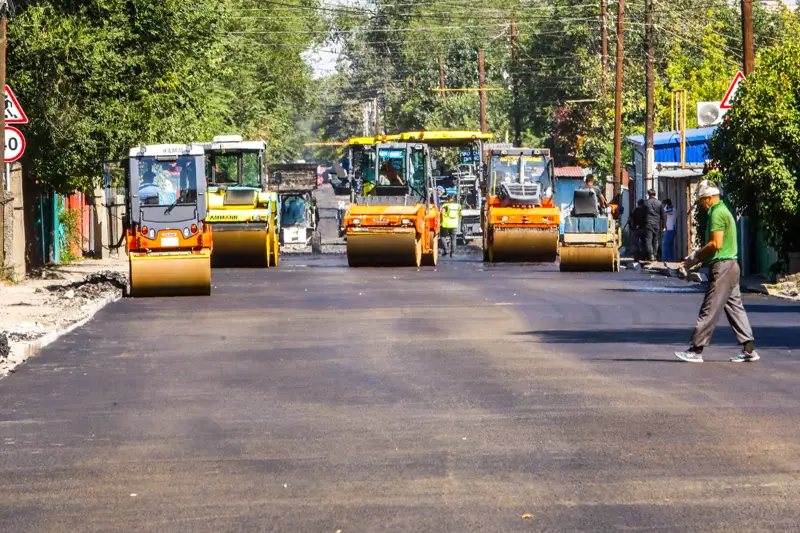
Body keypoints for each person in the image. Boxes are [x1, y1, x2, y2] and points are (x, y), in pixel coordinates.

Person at [674, 180, 758, 363]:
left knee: (710, 307)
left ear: (710, 198)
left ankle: (695, 350)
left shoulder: (717, 214)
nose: (702, 204)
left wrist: (695, 256)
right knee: (735, 307)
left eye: (703, 200)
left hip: (722, 267)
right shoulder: (723, 211)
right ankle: (749, 349)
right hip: (731, 265)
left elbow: (716, 244)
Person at [643, 189, 663, 261]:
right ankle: (655, 255)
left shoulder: (646, 203)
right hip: (657, 224)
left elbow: (643, 214)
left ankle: (651, 255)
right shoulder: (660, 203)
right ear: (655, 194)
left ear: (649, 194)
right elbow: (662, 215)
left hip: (648, 224)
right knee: (656, 240)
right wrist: (663, 225)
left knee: (649, 240)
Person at [662, 198, 677, 262]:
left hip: (671, 229)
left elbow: (665, 212)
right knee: (670, 245)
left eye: (665, 205)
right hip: (669, 229)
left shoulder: (672, 210)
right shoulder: (669, 209)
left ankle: (664, 259)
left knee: (665, 245)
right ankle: (671, 259)